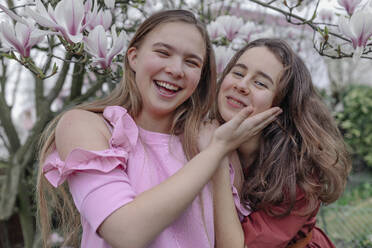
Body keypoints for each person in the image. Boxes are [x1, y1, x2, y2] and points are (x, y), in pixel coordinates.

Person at [37, 10, 282, 248]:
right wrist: (216, 151)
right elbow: (125, 232)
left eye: (191, 62)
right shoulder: (87, 127)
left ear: (200, 76)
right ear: (133, 56)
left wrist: (218, 151)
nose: (176, 70)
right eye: (163, 52)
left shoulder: (211, 140)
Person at [209, 38, 351, 248]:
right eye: (238, 73)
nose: (241, 85)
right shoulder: (200, 131)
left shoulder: (298, 171)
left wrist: (218, 153)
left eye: (260, 83)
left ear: (283, 104)